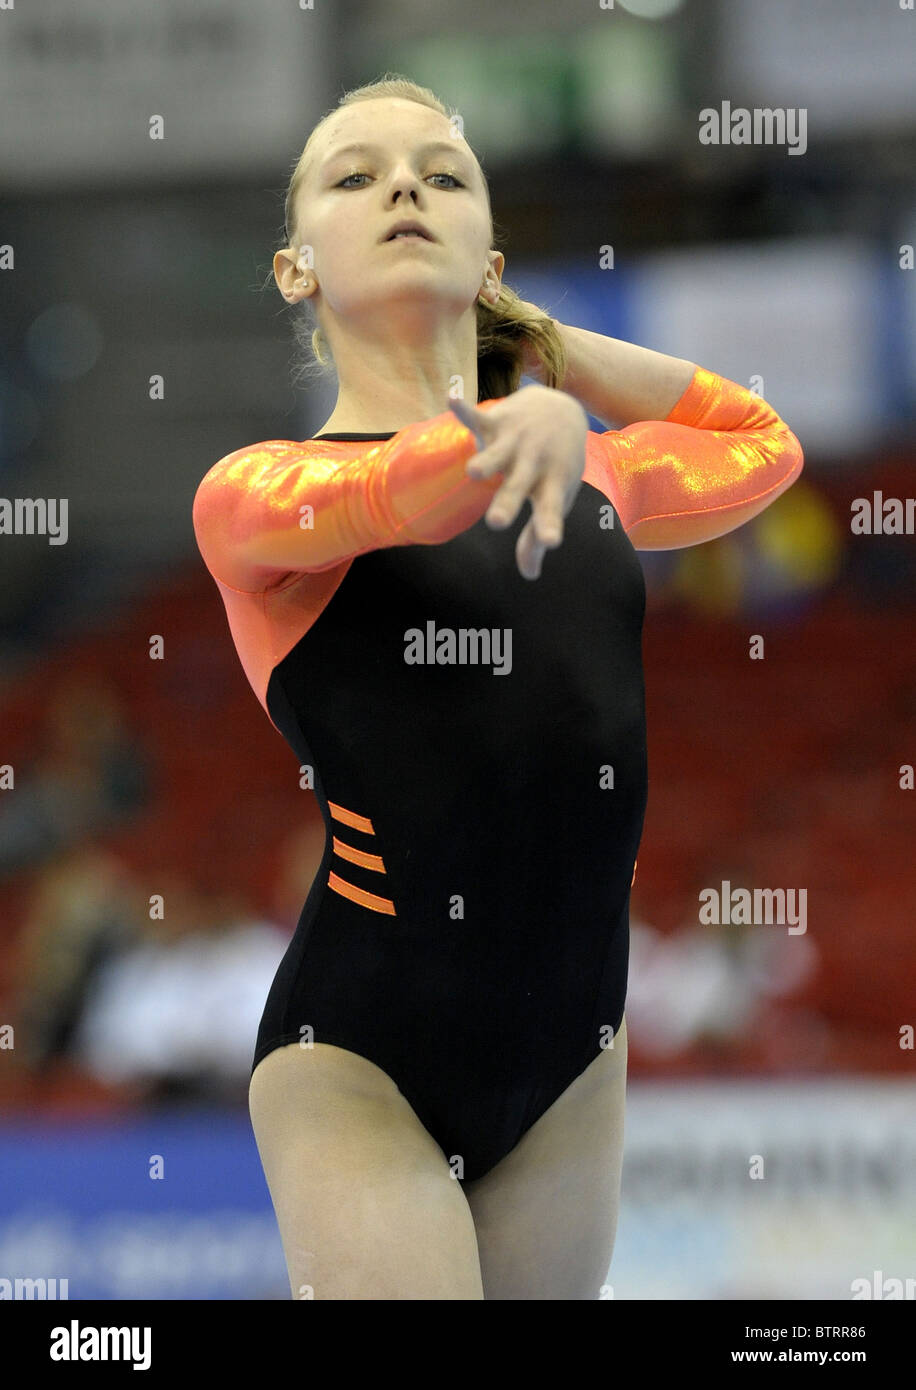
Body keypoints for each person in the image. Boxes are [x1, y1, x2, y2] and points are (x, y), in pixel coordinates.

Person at [192, 75, 804, 1300]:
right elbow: (396, 495)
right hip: (358, 1057)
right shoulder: (253, 496)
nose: (404, 185)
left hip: (573, 1060)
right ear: (294, 269)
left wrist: (547, 350)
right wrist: (530, 423)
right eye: (354, 175)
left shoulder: (585, 472)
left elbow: (763, 441)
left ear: (490, 258)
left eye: (443, 173)